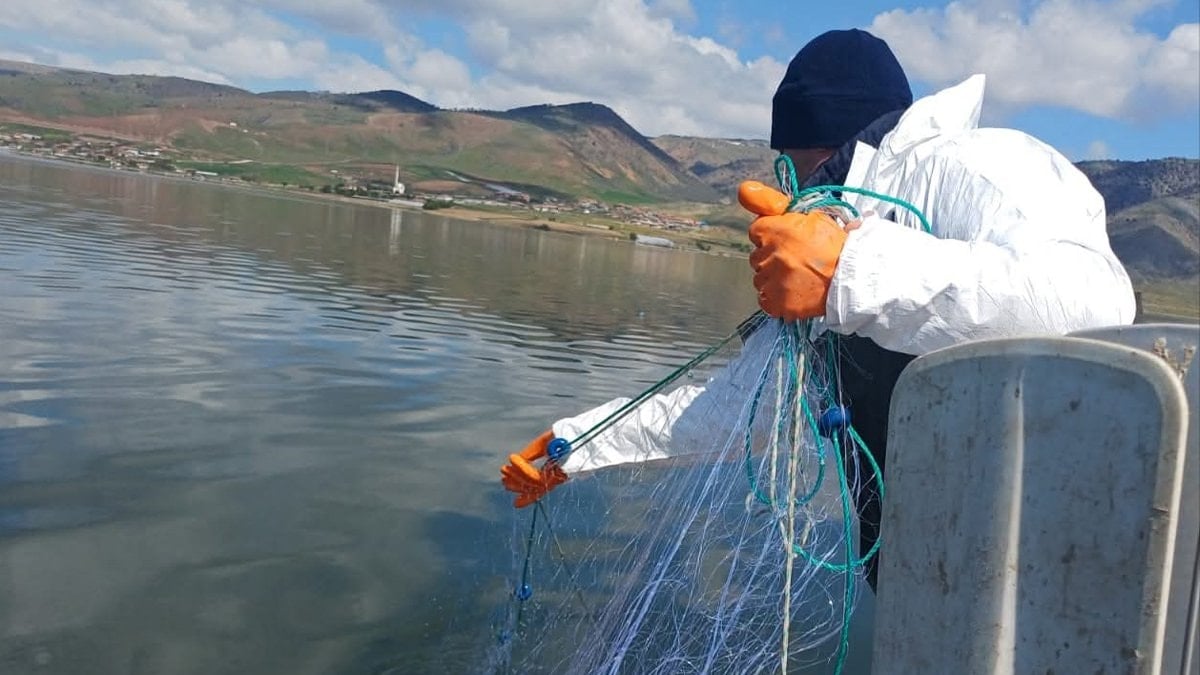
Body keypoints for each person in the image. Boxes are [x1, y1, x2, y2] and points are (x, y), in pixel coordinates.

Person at [500, 29, 1136, 591]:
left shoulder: (974, 164)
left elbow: (1088, 302)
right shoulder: (829, 231)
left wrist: (849, 271)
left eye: (787, 161)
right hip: (924, 588)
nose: (789, 182)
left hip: (1050, 586)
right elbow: (743, 417)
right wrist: (577, 446)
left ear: (807, 145)